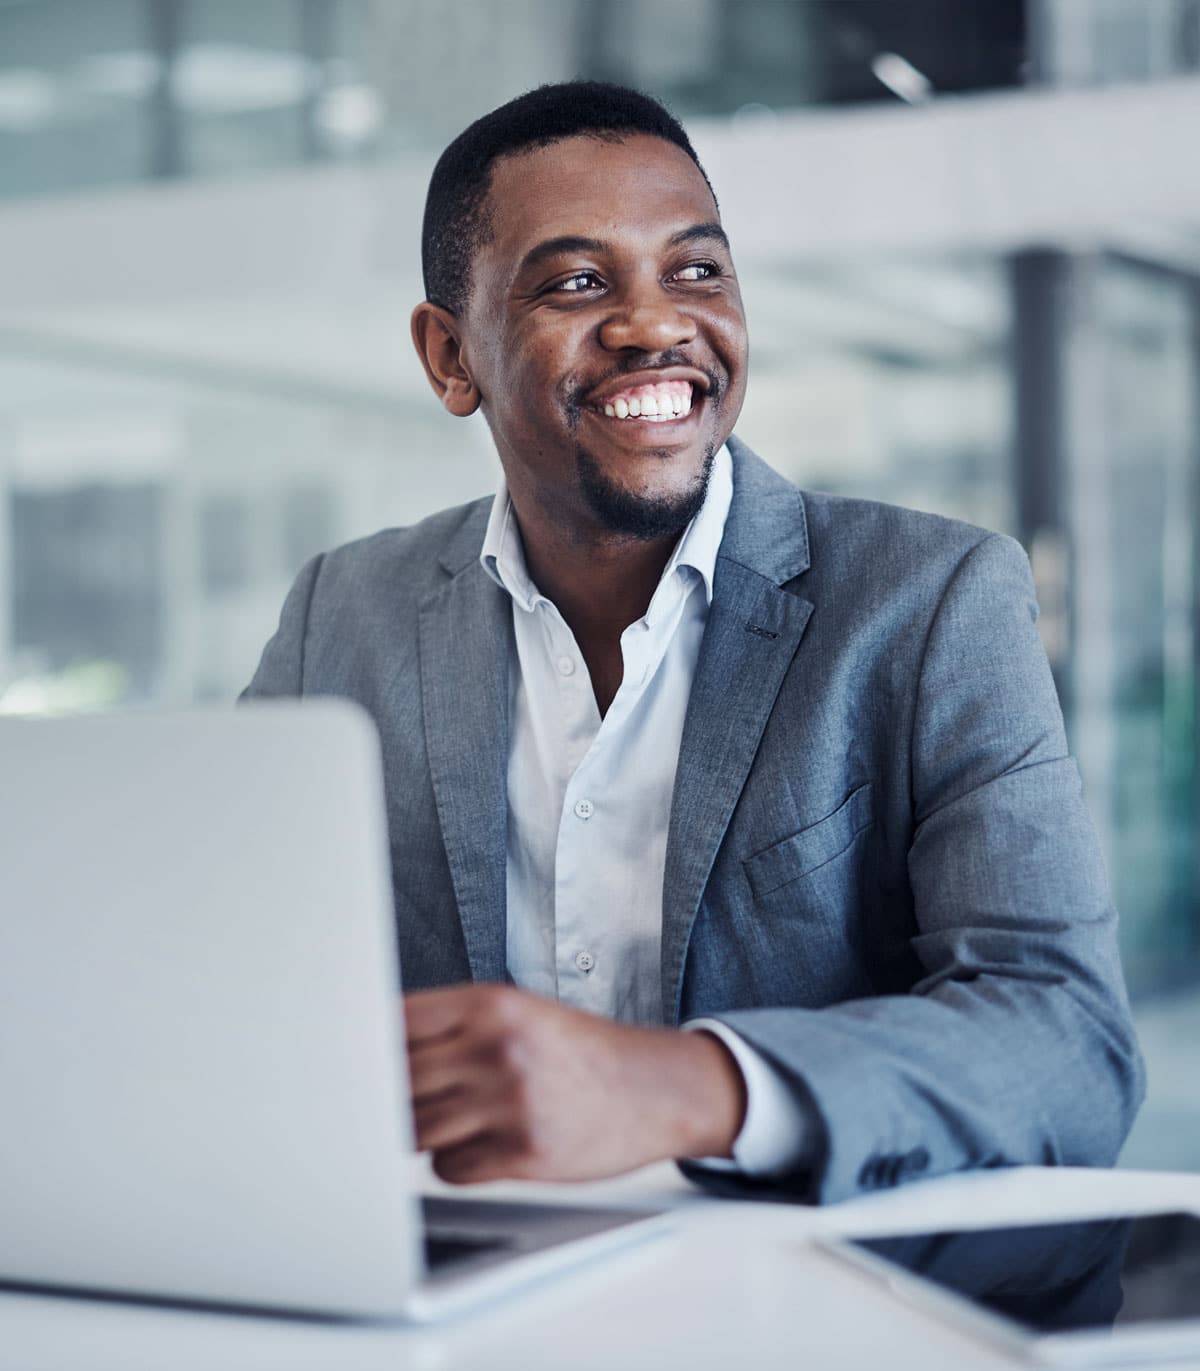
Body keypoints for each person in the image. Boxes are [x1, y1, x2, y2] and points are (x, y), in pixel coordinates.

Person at [243, 80, 1144, 1203]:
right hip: (452, 1292)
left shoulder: (930, 601)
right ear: (449, 358)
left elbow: (1067, 1046)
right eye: (576, 282)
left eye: (696, 271)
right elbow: (223, 969)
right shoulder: (345, 611)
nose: (657, 323)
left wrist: (684, 1088)